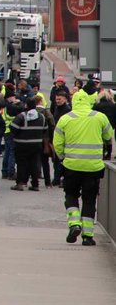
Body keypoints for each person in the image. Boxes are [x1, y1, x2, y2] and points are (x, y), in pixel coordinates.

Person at [54, 91, 115, 245]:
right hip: (93, 167)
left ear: (73, 101)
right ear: (89, 101)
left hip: (72, 166)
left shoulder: (65, 118)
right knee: (89, 200)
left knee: (71, 195)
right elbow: (109, 136)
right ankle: (87, 236)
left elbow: (57, 143)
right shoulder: (100, 117)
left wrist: (62, 158)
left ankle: (74, 224)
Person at [10, 97, 47, 191]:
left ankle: (20, 184)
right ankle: (35, 185)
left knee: (21, 164)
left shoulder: (21, 116)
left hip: (22, 144)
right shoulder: (42, 117)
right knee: (34, 164)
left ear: (26, 105)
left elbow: (13, 128)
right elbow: (45, 130)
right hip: (36, 145)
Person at [50, 90, 72, 187]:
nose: (57, 101)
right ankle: (57, 178)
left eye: (59, 99)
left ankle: (59, 178)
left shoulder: (67, 110)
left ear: (65, 99)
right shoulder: (57, 108)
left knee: (61, 159)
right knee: (56, 160)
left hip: (63, 137)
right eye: (56, 99)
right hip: (57, 136)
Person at [1, 90, 24, 180]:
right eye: (13, 97)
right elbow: (20, 109)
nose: (15, 98)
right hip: (12, 131)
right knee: (12, 152)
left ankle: (4, 171)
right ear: (9, 98)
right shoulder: (11, 107)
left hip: (6, 131)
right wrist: (19, 102)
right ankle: (11, 172)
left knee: (7, 152)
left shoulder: (5, 107)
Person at [35, 94, 56, 187]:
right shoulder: (46, 112)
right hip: (45, 139)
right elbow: (52, 124)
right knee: (45, 161)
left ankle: (34, 181)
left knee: (33, 160)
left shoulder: (30, 111)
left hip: (33, 139)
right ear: (41, 101)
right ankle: (47, 182)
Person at [92, 89, 116, 160]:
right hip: (110, 125)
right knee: (109, 139)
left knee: (100, 139)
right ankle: (108, 154)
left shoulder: (97, 105)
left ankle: (101, 153)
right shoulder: (113, 105)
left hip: (99, 125)